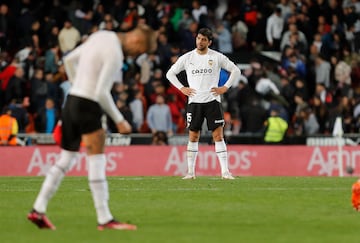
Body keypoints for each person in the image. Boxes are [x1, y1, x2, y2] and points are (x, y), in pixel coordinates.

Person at [27, 24, 157, 230]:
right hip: (88, 105)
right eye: (139, 51)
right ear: (136, 40)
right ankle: (105, 219)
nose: (134, 55)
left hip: (72, 100)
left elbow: (68, 60)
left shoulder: (101, 35)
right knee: (97, 159)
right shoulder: (115, 53)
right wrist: (120, 119)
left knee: (66, 158)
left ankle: (38, 209)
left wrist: (77, 86)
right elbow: (101, 93)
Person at [166, 28, 241, 180]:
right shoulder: (187, 58)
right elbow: (170, 73)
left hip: (213, 100)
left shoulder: (217, 57)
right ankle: (191, 173)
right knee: (193, 136)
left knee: (218, 136)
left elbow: (236, 70)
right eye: (199, 38)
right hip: (194, 102)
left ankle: (225, 172)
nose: (200, 41)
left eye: (203, 39)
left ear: (209, 42)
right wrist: (182, 88)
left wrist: (224, 87)